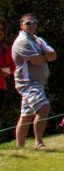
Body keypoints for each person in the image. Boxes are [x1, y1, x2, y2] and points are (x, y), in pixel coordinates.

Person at [12, 15, 56, 150]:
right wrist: (44, 56)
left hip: (38, 83)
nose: (33, 25)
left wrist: (43, 56)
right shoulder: (22, 41)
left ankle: (20, 148)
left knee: (26, 115)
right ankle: (39, 143)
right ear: (21, 25)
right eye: (29, 23)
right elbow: (35, 60)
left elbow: (53, 55)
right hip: (28, 83)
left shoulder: (37, 40)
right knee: (44, 107)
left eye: (35, 23)